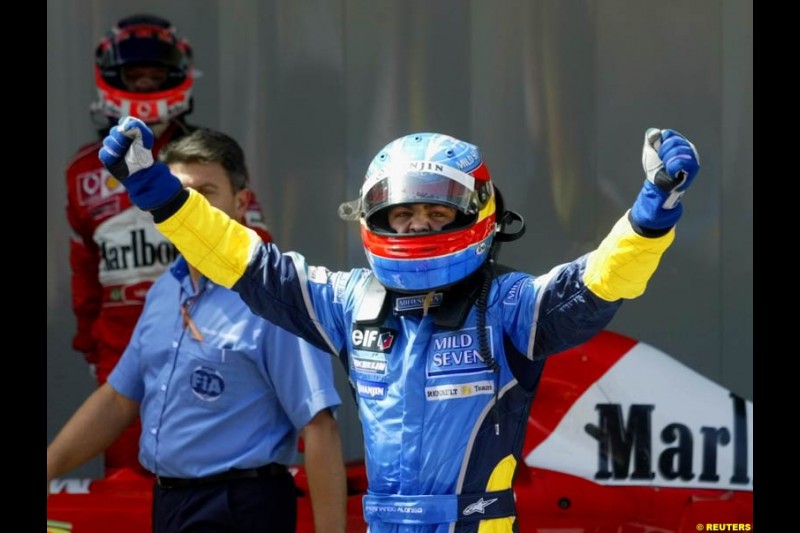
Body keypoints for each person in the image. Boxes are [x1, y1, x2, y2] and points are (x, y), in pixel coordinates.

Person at [99, 118, 700, 532]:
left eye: (436, 211)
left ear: (477, 213)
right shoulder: (348, 299)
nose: (415, 225)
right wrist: (156, 191)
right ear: (371, 217)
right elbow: (243, 259)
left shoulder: (511, 304)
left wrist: (651, 214)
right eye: (401, 212)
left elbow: (600, 282)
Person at [51, 128, 347, 533]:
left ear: (242, 202)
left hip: (240, 507)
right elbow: (120, 400)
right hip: (170, 502)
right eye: (178, 193)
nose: (189, 208)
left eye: (206, 192)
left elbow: (319, 426)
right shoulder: (163, 290)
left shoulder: (275, 297)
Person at [65, 14, 271, 475]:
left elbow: (255, 244)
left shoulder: (210, 157)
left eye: (155, 75)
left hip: (212, 339)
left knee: (213, 470)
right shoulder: (81, 170)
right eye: (134, 76)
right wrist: (88, 342)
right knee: (126, 481)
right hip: (120, 350)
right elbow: (84, 266)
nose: (144, 83)